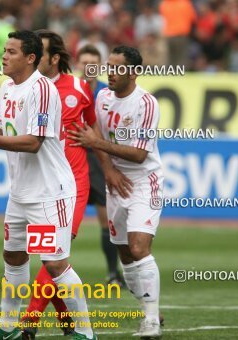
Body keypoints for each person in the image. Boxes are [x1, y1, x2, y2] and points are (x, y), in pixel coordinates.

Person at [0, 30, 96, 340]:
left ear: (30, 58)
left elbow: (33, 142)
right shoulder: (8, 87)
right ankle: (8, 327)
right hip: (20, 192)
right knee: (13, 256)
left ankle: (85, 332)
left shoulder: (43, 90)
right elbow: (6, 127)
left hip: (50, 194)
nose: (4, 56)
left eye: (11, 51)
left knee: (54, 263)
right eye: (5, 51)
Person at [69, 46, 164, 338]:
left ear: (133, 72)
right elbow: (95, 136)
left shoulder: (146, 103)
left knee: (138, 248)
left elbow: (137, 155)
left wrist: (97, 144)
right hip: (115, 182)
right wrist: (108, 170)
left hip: (143, 181)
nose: (110, 72)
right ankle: (151, 309)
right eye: (109, 66)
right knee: (124, 253)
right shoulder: (102, 97)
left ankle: (150, 319)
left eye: (118, 68)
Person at [17, 29, 99, 339]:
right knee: (49, 258)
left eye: (41, 52)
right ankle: (68, 323)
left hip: (70, 185)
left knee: (53, 255)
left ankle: (29, 323)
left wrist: (109, 170)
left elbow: (91, 132)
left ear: (54, 57)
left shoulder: (78, 89)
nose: (34, 57)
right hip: (39, 185)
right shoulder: (25, 89)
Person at [75, 44, 126, 286]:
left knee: (108, 220)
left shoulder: (108, 93)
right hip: (73, 158)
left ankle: (112, 272)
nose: (88, 68)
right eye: (84, 63)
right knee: (64, 219)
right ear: (77, 65)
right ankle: (54, 270)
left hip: (99, 159)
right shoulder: (68, 90)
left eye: (93, 64)